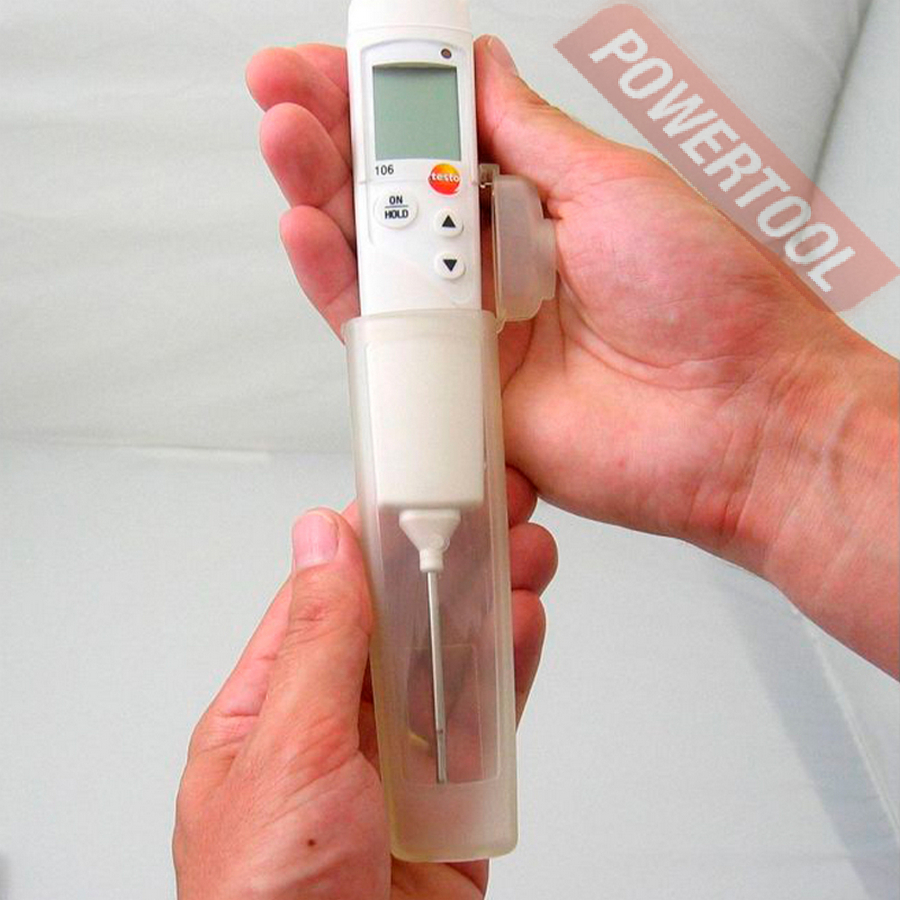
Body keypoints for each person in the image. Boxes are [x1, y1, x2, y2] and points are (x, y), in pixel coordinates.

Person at [173, 36, 899, 900]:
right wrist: (780, 423)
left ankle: (456, 804)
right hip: (427, 348)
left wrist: (775, 414)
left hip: (458, 345)